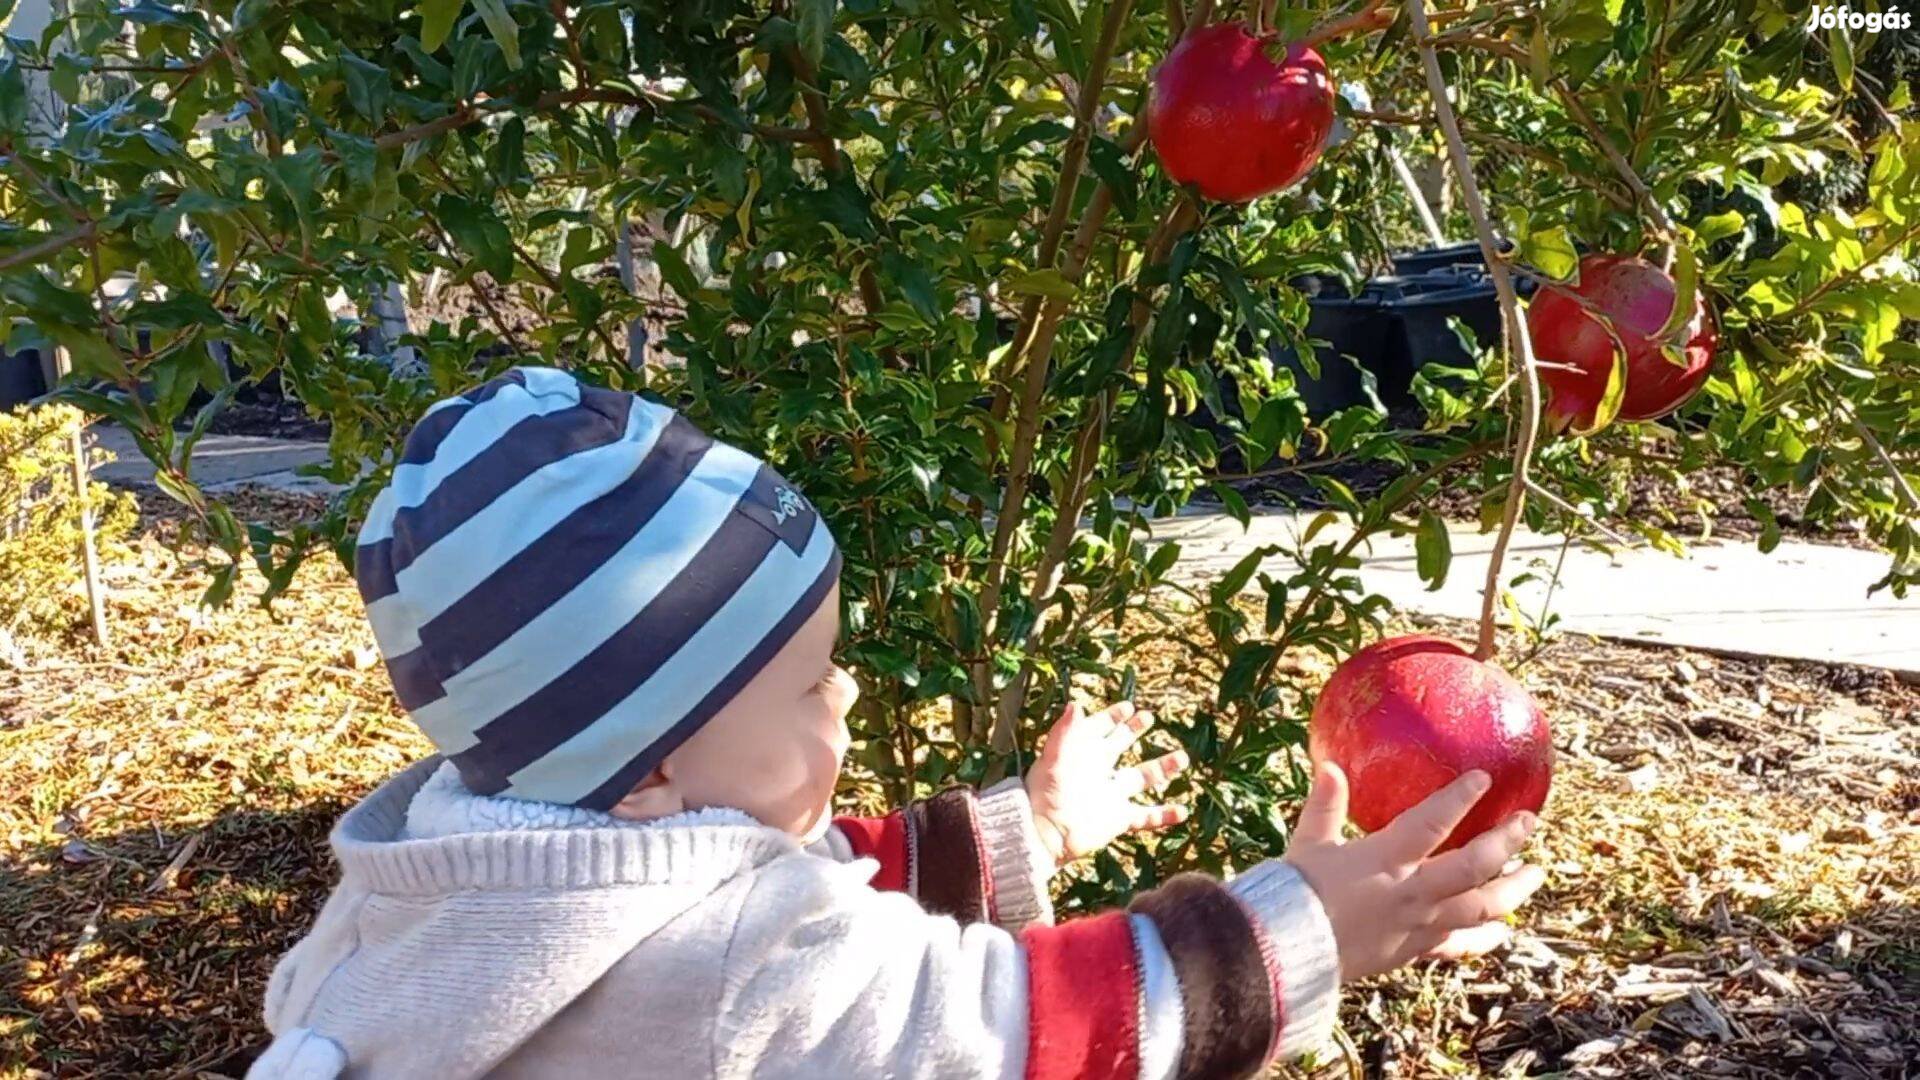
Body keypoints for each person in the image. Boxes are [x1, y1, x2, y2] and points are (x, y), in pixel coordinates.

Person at [248, 367, 1544, 1080]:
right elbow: (1018, 1030)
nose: (848, 692)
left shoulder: (451, 889)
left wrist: (1026, 830)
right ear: (650, 767)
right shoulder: (722, 976)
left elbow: (779, 890)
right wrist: (1302, 930)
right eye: (813, 683)